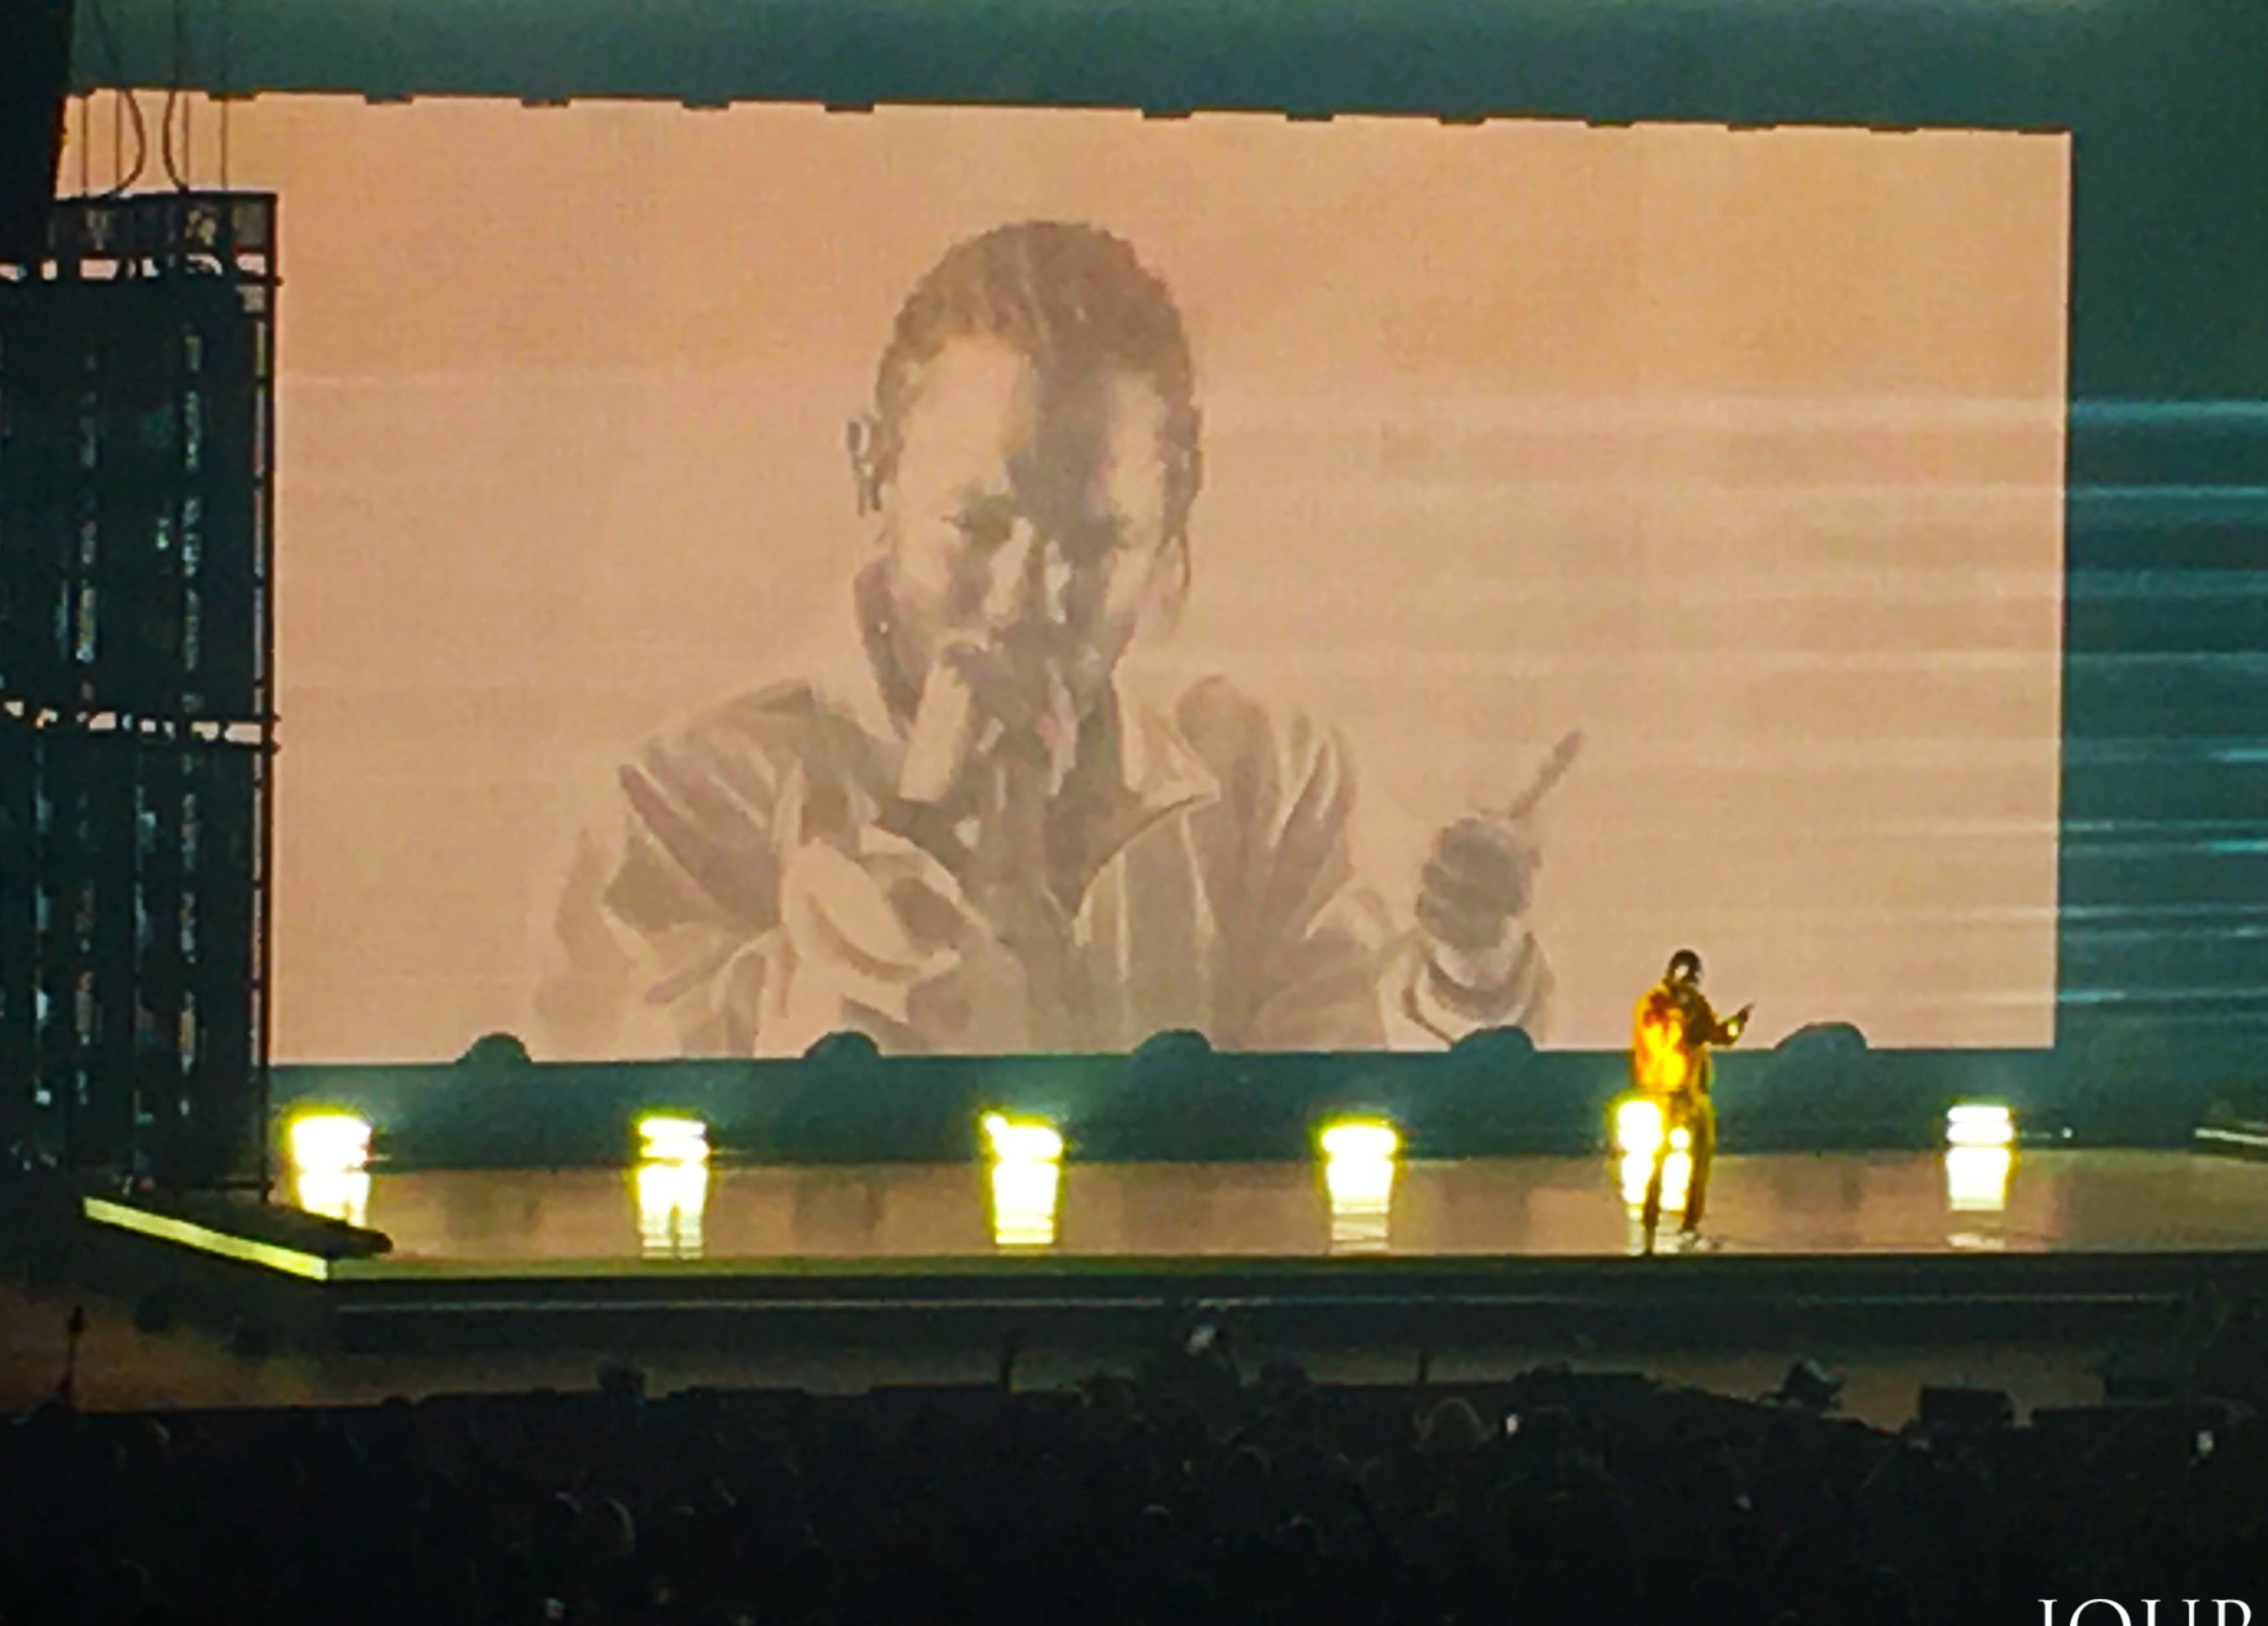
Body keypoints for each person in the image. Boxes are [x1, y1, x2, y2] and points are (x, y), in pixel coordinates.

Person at [537, 221, 1554, 1055]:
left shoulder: (1274, 790)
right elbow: (694, 1165)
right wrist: (921, 837)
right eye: (979, 525)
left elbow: (1349, 1125)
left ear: (1176, 511)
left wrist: (1465, 974)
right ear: (870, 470)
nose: (1029, 597)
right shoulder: (678, 812)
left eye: (1096, 541)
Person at [1630, 949, 1749, 1252]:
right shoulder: (1654, 1003)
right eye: (1687, 977)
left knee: (1702, 1157)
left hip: (1694, 1093)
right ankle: (1649, 1224)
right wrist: (1683, 1020)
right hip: (1664, 1093)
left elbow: (1712, 1034)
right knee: (1659, 1158)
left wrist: (1734, 1026)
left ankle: (1690, 1225)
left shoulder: (1695, 1003)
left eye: (1695, 978)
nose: (1691, 983)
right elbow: (1661, 1040)